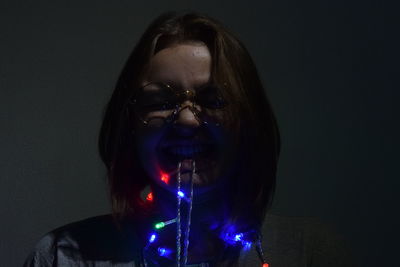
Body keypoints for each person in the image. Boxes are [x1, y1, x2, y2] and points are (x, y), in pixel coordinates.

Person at [24, 12, 354, 267]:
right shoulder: (62, 256)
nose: (186, 119)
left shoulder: (311, 253)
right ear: (130, 127)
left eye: (214, 100)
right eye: (159, 102)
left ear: (248, 122)